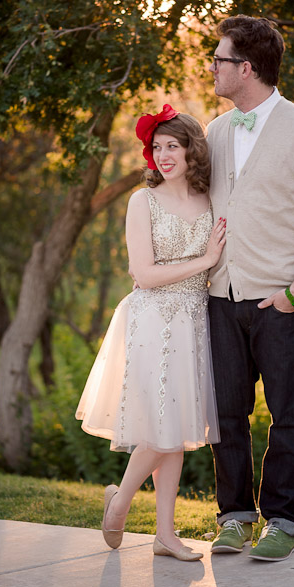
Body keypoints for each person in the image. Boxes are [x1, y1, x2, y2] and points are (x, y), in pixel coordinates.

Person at [205, 15, 294, 561]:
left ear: (247, 67)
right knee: (225, 413)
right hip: (221, 297)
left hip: (282, 300)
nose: (212, 67)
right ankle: (234, 516)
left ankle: (284, 521)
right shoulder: (216, 131)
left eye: (219, 59)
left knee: (289, 411)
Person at [76, 105, 225, 561]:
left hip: (194, 321)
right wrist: (205, 261)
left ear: (191, 149)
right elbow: (143, 272)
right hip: (151, 321)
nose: (163, 155)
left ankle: (165, 535)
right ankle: (119, 501)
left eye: (172, 146)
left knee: (175, 431)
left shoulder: (211, 199)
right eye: (156, 147)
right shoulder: (142, 201)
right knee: (162, 434)